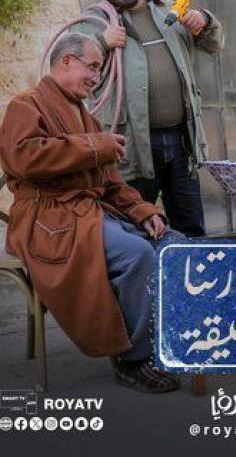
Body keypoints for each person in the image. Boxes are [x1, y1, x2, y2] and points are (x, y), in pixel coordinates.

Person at [0, 32, 182, 393]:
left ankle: (166, 340)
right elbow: (24, 158)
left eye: (100, 70)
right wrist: (95, 146)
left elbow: (111, 183)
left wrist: (143, 211)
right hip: (49, 219)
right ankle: (133, 361)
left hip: (88, 212)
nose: (97, 77)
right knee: (137, 255)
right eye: (94, 67)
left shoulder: (85, 117)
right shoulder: (26, 105)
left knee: (171, 243)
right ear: (67, 61)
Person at [72, 0, 225, 236]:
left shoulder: (169, 10)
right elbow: (71, 66)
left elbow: (214, 45)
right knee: (135, 231)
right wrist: (102, 42)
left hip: (182, 142)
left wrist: (205, 21)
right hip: (130, 146)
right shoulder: (92, 23)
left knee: (191, 228)